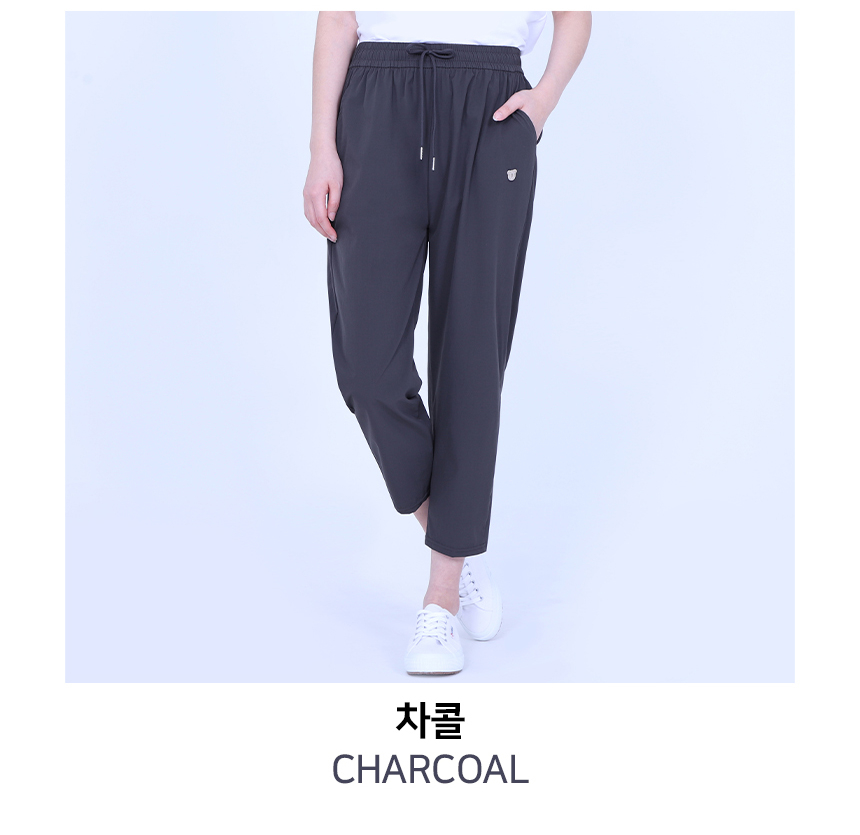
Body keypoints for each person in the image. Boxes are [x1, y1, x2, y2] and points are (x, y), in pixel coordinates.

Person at [304, 11, 592, 675]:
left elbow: (575, 14)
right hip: (377, 98)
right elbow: (338, 16)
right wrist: (322, 145)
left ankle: (441, 595)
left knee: (472, 354)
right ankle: (454, 536)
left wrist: (543, 100)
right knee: (368, 369)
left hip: (491, 104)